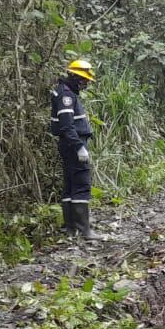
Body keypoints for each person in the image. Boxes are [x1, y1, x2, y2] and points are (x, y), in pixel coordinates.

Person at [51, 59, 100, 240]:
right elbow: (66, 126)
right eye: (83, 80)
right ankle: (84, 230)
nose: (85, 84)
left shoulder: (65, 92)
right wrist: (79, 147)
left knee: (70, 186)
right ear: (74, 77)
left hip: (69, 144)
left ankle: (71, 228)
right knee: (81, 184)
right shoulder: (66, 96)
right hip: (73, 144)